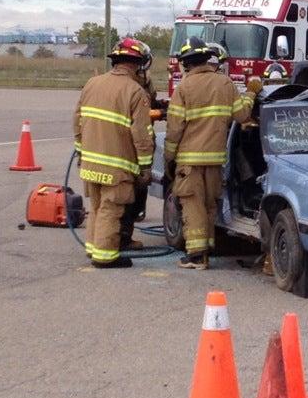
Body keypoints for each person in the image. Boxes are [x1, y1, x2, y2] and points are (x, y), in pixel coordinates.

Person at [165, 36, 262, 269]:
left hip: (189, 159)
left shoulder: (184, 87)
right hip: (216, 158)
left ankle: (196, 256)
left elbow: (174, 128)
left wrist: (169, 157)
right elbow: (242, 115)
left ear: (186, 63)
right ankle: (207, 249)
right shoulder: (225, 83)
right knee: (209, 204)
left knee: (192, 204)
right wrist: (251, 94)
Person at [73, 37, 155, 268]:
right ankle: (105, 256)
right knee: (111, 208)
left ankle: (93, 247)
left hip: (90, 163)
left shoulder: (92, 83)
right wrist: (145, 166)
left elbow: (77, 121)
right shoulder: (135, 91)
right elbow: (142, 134)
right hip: (117, 166)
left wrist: (81, 152)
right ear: (138, 64)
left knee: (97, 207)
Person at [119, 49, 168, 251]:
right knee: (126, 195)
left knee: (134, 194)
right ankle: (122, 237)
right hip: (132, 146)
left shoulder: (143, 81)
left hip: (134, 145)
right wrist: (157, 113)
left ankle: (122, 235)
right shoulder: (130, 86)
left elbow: (150, 102)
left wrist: (161, 105)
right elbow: (141, 119)